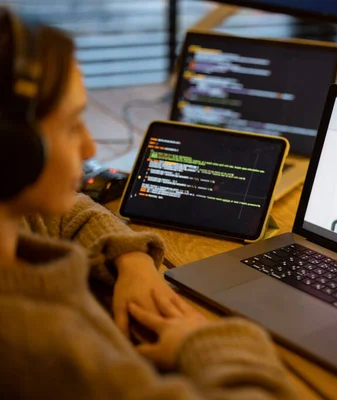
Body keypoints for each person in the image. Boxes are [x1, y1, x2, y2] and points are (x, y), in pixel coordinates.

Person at [0, 9, 296, 399]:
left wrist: (131, 259)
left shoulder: (15, 223)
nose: (90, 147)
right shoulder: (45, 349)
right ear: (16, 152)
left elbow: (66, 209)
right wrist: (203, 341)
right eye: (73, 125)